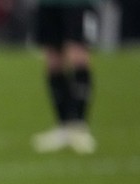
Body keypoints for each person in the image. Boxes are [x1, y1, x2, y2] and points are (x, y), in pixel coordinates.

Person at [31, 0, 100, 154]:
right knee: (53, 62)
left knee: (78, 56)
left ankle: (79, 126)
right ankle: (63, 127)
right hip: (49, 5)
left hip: (77, 4)